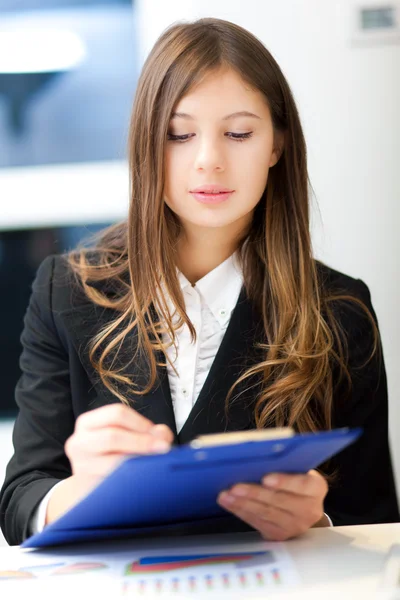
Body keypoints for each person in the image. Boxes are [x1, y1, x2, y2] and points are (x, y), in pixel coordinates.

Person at [0, 17, 398, 547]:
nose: (209, 160)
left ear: (277, 145)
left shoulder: (340, 310)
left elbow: (374, 519)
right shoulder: (65, 291)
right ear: (147, 144)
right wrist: (81, 490)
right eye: (179, 135)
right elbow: (22, 498)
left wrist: (316, 522)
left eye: (238, 133)